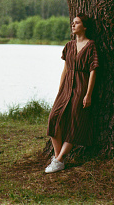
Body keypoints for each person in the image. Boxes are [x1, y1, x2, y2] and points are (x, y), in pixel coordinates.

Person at [45, 13, 99, 173]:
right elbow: (65, 70)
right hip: (66, 87)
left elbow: (93, 71)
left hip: (81, 87)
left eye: (77, 23)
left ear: (85, 26)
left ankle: (59, 160)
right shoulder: (68, 46)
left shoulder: (91, 46)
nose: (73, 25)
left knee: (75, 122)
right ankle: (58, 159)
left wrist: (88, 94)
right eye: (73, 23)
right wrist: (60, 90)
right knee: (54, 118)